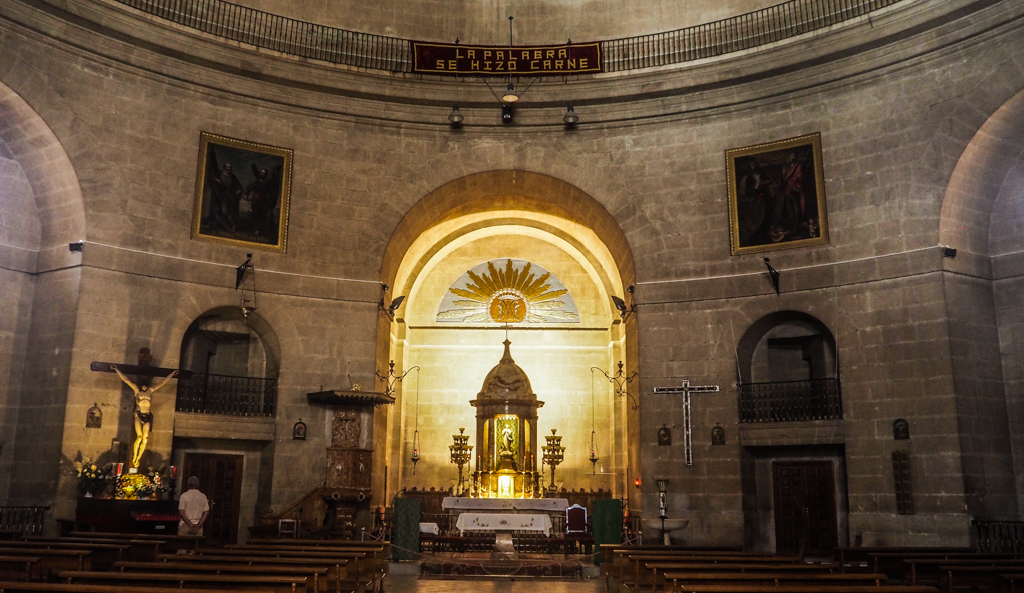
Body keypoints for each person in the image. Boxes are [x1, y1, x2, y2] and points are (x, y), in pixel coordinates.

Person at [111, 365, 177, 468]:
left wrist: (171, 374)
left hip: (147, 416)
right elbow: (126, 380)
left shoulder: (150, 391)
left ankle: (138, 458)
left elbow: (162, 383)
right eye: (143, 386)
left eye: (146, 386)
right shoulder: (137, 390)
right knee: (139, 437)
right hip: (139, 415)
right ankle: (134, 456)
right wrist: (116, 369)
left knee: (145, 439)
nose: (144, 387)